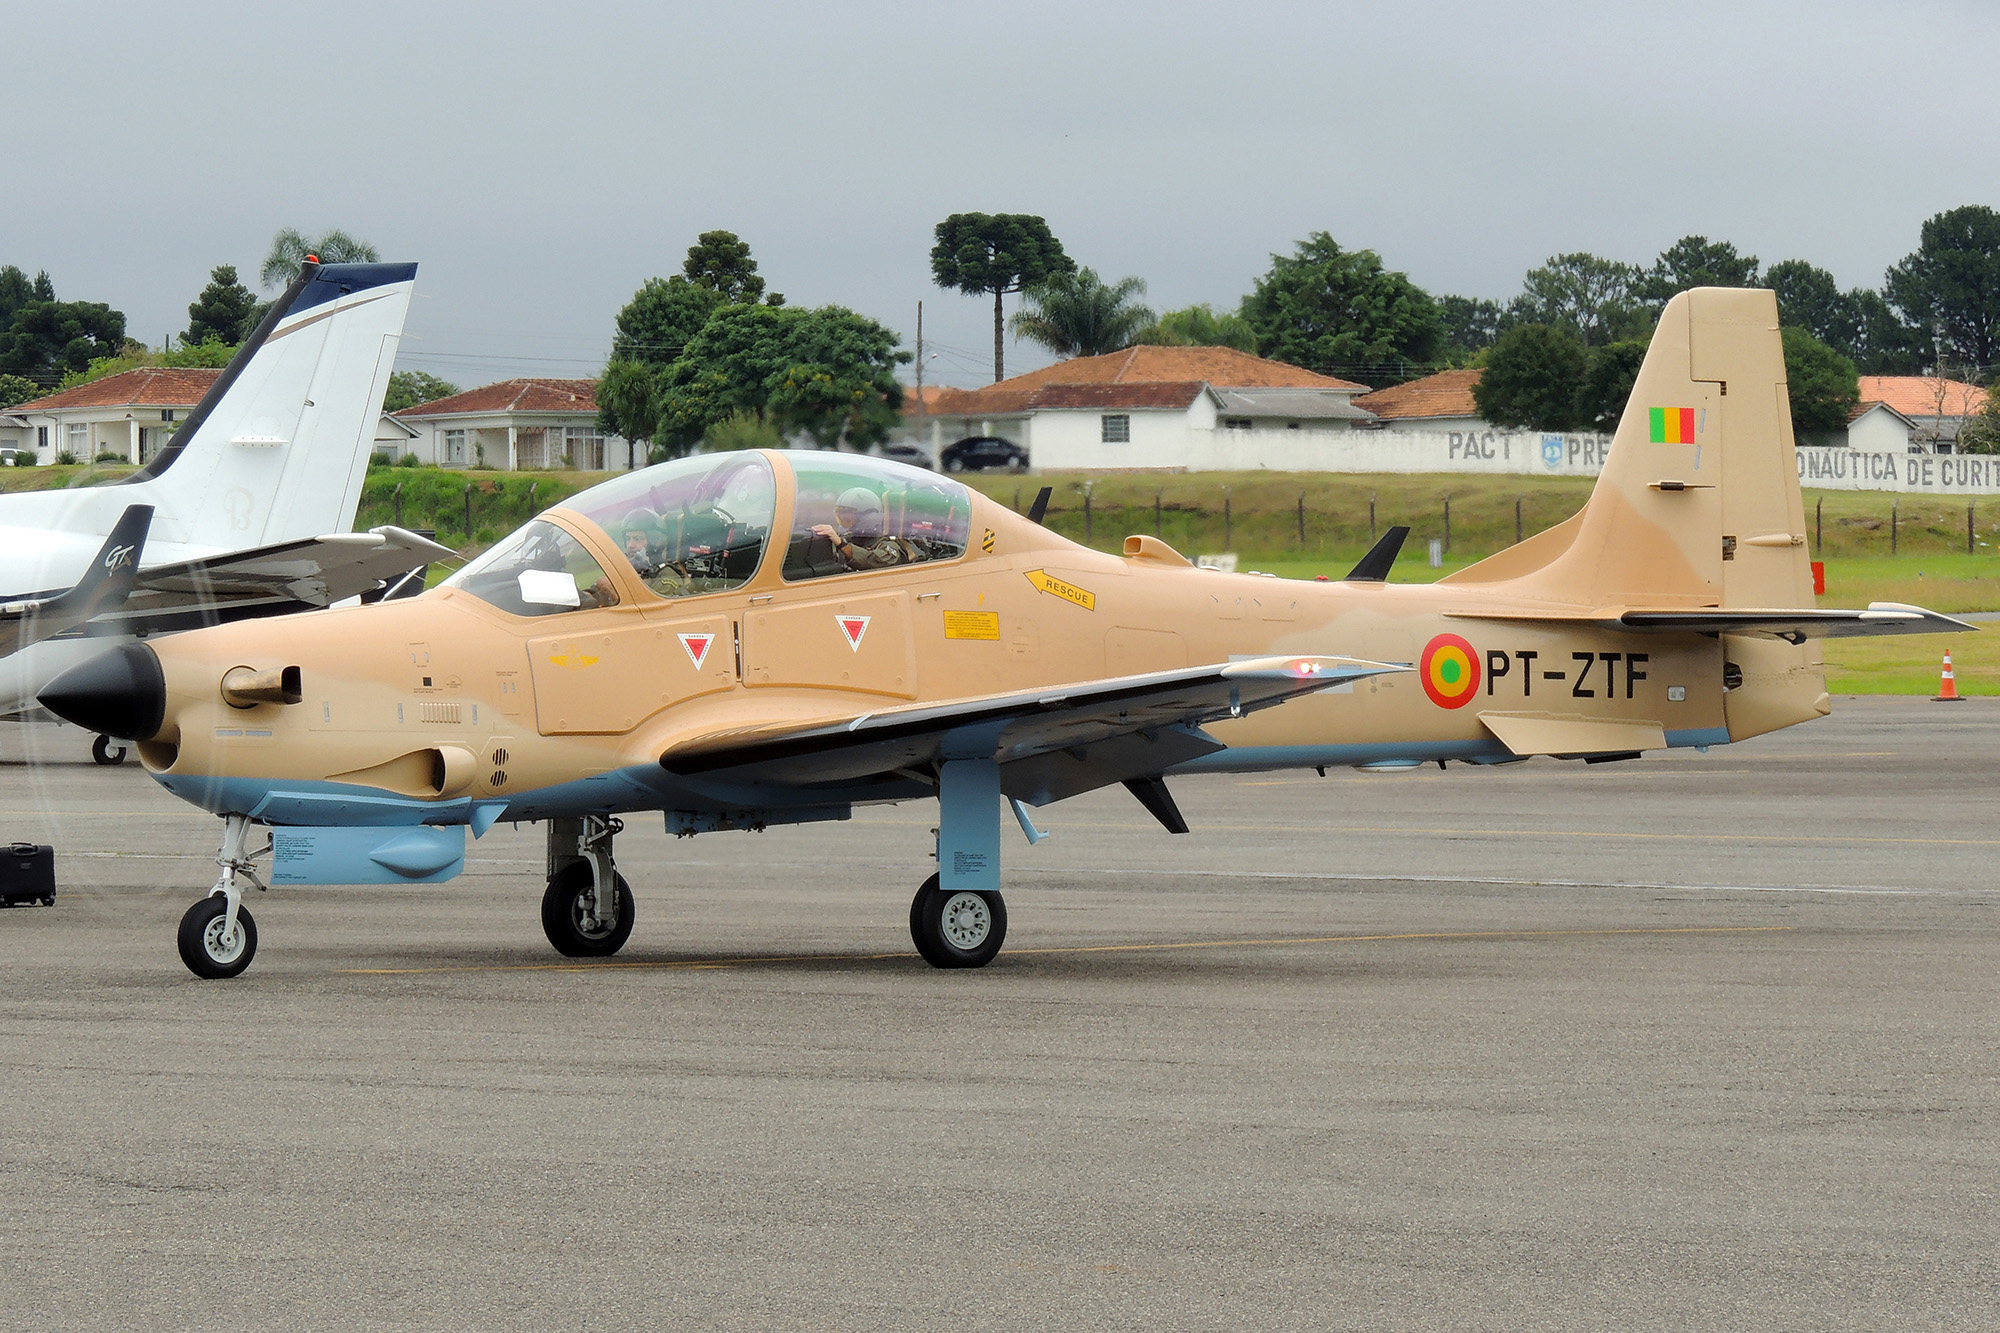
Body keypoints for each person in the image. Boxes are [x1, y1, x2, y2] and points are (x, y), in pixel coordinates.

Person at [811, 486, 915, 570]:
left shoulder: (890, 546)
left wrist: (841, 544)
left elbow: (873, 561)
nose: (843, 523)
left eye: (848, 519)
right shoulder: (848, 540)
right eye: (840, 517)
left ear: (867, 518)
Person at [618, 509, 661, 578]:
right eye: (628, 539)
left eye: (637, 539)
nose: (630, 545)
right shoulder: (617, 570)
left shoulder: (664, 575)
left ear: (653, 542)